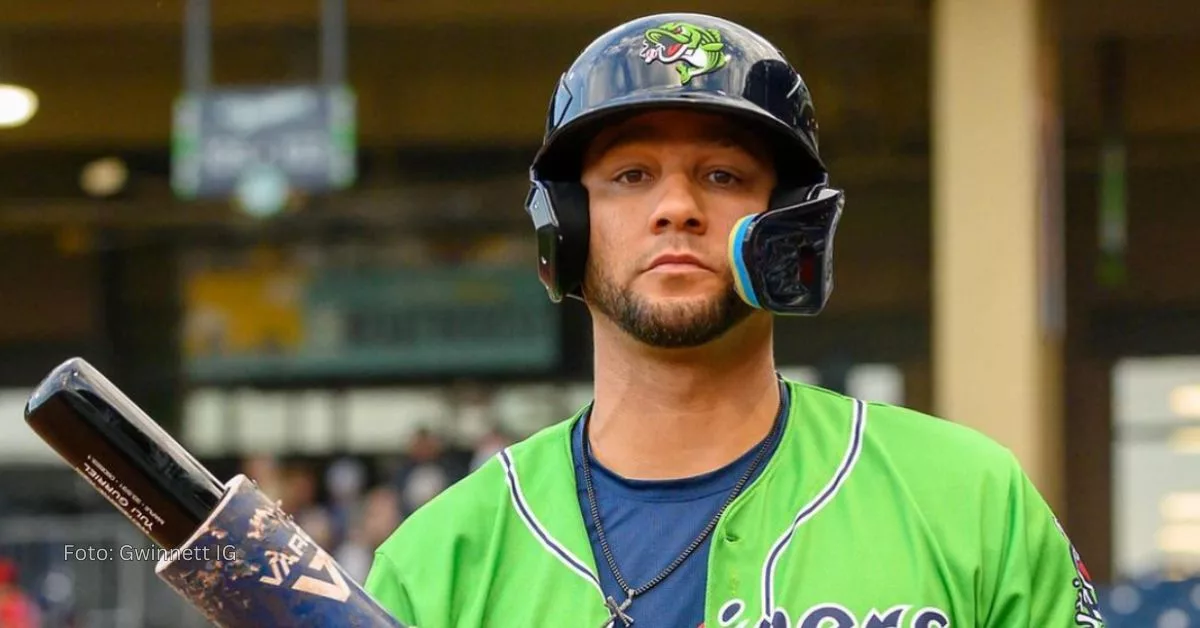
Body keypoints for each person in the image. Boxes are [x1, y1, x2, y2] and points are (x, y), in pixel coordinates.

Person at [365, 12, 1106, 628]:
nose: (677, 207)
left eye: (722, 176)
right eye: (631, 175)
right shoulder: (441, 558)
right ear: (567, 228)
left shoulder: (968, 498)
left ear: (790, 224)